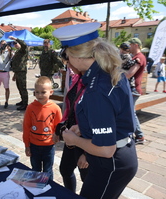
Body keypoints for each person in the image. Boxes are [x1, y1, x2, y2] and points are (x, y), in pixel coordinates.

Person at [53, 22, 138, 199]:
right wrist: (83, 128)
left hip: (111, 162)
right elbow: (110, 117)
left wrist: (74, 140)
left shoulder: (96, 89)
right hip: (120, 156)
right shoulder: (108, 72)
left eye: (67, 55)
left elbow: (106, 149)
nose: (67, 61)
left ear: (76, 56)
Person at [57, 53, 88, 192]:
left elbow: (98, 121)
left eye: (69, 62)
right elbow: (70, 106)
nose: (67, 66)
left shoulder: (93, 84)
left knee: (86, 176)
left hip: (87, 139)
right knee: (65, 169)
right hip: (73, 134)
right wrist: (62, 123)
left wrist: (87, 154)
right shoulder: (76, 78)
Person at [22, 76, 62, 180]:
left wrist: (57, 136)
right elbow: (26, 127)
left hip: (49, 146)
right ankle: (36, 190)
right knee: (35, 169)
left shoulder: (55, 108)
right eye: (37, 92)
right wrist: (27, 145)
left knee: (48, 170)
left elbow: (59, 126)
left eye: (43, 92)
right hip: (34, 146)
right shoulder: (30, 107)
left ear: (51, 92)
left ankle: (49, 189)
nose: (39, 95)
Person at [126, 37, 147, 144]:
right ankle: (136, 135)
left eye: (131, 44)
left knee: (131, 113)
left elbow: (129, 74)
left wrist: (117, 73)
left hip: (133, 90)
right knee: (129, 112)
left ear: (136, 45)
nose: (129, 46)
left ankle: (139, 136)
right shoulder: (136, 57)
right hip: (132, 89)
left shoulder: (139, 57)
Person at [9, 36, 29, 111]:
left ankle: (25, 104)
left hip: (22, 72)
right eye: (14, 44)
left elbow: (24, 45)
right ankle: (23, 101)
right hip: (17, 72)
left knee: (23, 88)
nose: (15, 44)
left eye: (16, 43)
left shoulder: (23, 50)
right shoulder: (18, 51)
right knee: (19, 87)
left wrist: (15, 39)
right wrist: (14, 74)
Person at [0, 40, 13, 108]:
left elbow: (11, 56)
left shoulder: (8, 51)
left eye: (4, 44)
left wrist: (9, 49)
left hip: (5, 72)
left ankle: (6, 101)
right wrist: (1, 51)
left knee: (6, 88)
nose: (3, 45)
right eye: (2, 44)